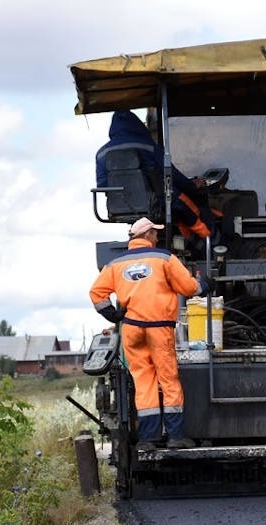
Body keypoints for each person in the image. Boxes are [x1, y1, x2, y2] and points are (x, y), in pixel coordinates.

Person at [90, 217, 214, 451]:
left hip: (131, 329)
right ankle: (175, 436)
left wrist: (112, 316)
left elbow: (97, 293)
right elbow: (189, 288)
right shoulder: (164, 258)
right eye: (155, 233)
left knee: (144, 381)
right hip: (158, 328)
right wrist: (206, 285)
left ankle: (148, 440)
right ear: (146, 234)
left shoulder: (116, 264)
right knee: (168, 380)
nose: (157, 236)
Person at [95, 110, 214, 240]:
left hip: (120, 207)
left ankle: (192, 241)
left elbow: (102, 185)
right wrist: (192, 186)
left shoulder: (101, 154)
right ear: (137, 125)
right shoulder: (149, 147)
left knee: (176, 210)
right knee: (188, 205)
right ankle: (210, 240)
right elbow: (171, 174)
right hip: (158, 201)